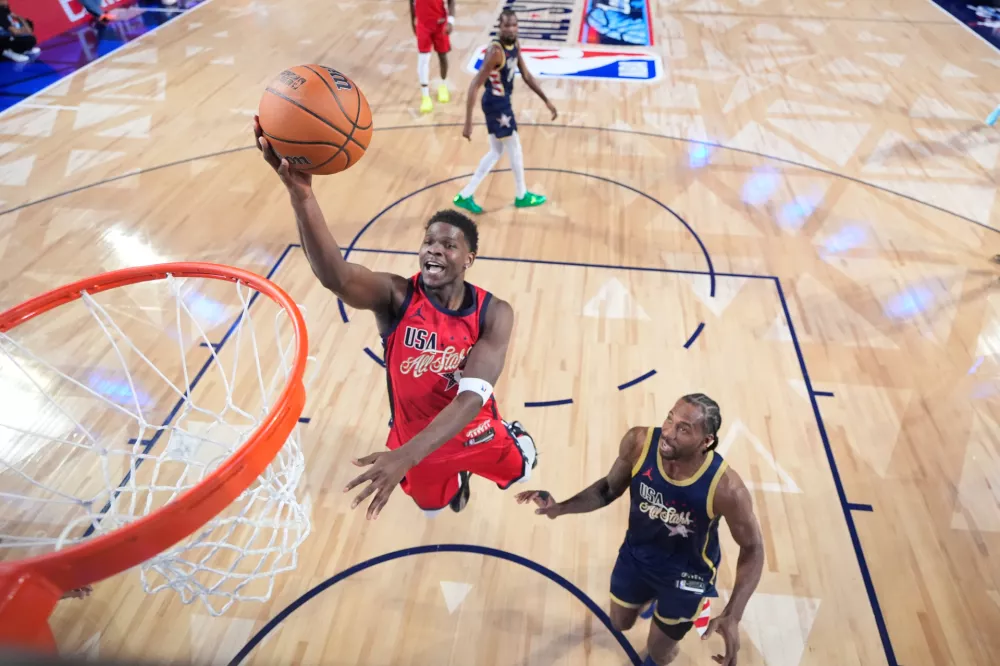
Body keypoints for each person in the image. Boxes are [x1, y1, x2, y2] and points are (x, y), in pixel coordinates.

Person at [252, 117, 538, 520]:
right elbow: (337, 276)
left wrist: (404, 457)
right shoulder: (396, 296)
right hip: (416, 441)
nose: (434, 250)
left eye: (448, 245)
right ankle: (453, 482)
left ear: (469, 259)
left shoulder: (495, 312)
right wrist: (301, 195)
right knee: (432, 507)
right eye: (428, 242)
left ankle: (516, 442)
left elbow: (472, 398)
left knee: (523, 468)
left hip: (473, 429)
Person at [516, 394, 764, 666]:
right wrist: (560, 508)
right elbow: (609, 489)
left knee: (659, 652)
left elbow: (753, 548)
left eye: (684, 429)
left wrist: (734, 614)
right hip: (636, 557)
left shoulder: (727, 489)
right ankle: (651, 601)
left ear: (706, 441)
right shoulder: (640, 443)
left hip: (686, 576)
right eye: (670, 418)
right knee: (619, 622)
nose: (669, 433)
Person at [453, 9, 557, 215]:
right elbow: (474, 85)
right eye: (506, 25)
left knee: (496, 152)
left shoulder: (515, 45)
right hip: (496, 104)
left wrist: (546, 100)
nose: (510, 29)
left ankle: (465, 195)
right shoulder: (495, 52)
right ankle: (521, 195)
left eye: (513, 25)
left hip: (501, 103)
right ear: (499, 26)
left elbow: (526, 75)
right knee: (515, 148)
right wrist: (468, 122)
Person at [411, 0, 454, 114]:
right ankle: (425, 97)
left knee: (442, 56)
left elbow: (451, 1)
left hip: (440, 23)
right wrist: (413, 21)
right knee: (423, 59)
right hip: (423, 24)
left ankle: (443, 86)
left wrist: (451, 21)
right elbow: (411, 2)